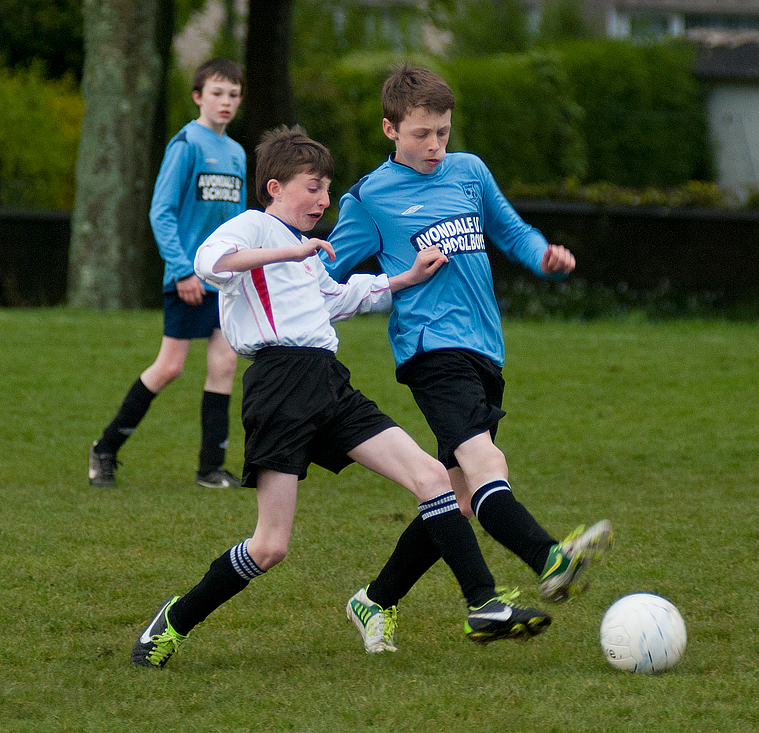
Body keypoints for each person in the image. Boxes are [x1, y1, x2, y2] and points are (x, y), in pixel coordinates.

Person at [130, 125, 553, 670]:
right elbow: (210, 264)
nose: (323, 200)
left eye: (328, 189)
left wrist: (403, 278)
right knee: (270, 546)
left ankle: (484, 604)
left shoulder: (307, 254)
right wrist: (289, 249)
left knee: (431, 477)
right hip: (278, 387)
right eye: (312, 188)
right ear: (275, 187)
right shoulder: (253, 227)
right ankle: (175, 620)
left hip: (329, 381)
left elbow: (341, 296)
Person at [322, 64, 613, 653]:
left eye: (443, 133)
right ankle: (549, 558)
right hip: (431, 349)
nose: (435, 146)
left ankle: (374, 600)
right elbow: (325, 273)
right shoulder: (370, 198)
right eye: (422, 134)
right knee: (486, 461)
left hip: (485, 349)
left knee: (451, 495)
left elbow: (510, 230)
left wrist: (543, 254)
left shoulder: (469, 171)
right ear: (390, 129)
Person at [89, 58, 246, 489]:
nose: (226, 102)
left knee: (225, 361)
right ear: (198, 96)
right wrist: (181, 270)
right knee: (169, 367)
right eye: (217, 93)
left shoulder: (236, 153)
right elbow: (162, 212)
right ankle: (104, 450)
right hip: (189, 277)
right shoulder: (186, 144)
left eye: (233, 94)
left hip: (224, 278)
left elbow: (239, 222)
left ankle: (210, 468)